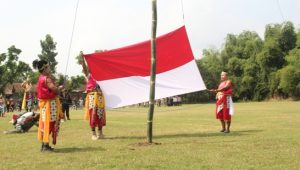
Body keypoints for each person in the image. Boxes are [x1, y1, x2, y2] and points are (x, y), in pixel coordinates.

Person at [32, 59, 64, 152]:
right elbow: (54, 89)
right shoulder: (47, 79)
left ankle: (44, 145)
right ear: (45, 68)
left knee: (46, 124)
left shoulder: (41, 78)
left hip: (46, 105)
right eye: (48, 66)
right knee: (49, 125)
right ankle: (45, 146)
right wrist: (59, 89)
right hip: (50, 105)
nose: (50, 68)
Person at [80, 51, 106, 140]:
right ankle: (93, 134)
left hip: (100, 97)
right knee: (93, 115)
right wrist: (83, 59)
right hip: (92, 97)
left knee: (100, 115)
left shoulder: (101, 76)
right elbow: (84, 68)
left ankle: (100, 133)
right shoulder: (89, 75)